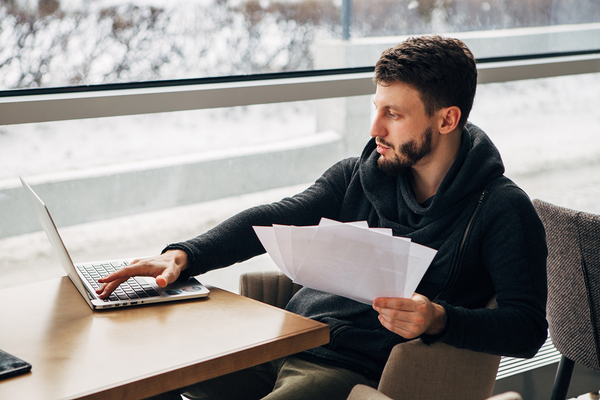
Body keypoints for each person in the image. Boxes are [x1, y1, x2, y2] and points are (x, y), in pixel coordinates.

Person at [97, 35, 548, 400]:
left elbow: (527, 328)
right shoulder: (359, 174)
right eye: (376, 108)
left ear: (447, 119)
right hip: (288, 339)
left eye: (393, 114)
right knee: (143, 378)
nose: (375, 129)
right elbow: (274, 218)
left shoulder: (501, 209)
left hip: (349, 370)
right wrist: (184, 255)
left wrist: (438, 319)